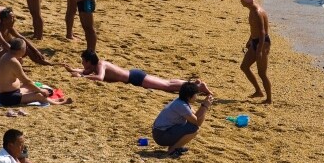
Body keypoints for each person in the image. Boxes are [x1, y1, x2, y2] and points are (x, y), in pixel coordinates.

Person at [64, 50, 213, 95]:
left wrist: (81, 78)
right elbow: (85, 71)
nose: (82, 64)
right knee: (167, 82)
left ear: (89, 61)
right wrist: (73, 70)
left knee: (167, 86)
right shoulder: (93, 66)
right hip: (134, 76)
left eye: (83, 61)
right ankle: (193, 84)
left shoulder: (101, 65)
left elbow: (100, 78)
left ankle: (198, 87)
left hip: (135, 78)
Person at [151, 81, 213, 157]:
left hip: (161, 132)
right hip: (161, 136)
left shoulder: (181, 101)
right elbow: (197, 122)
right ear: (189, 96)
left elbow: (196, 116)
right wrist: (205, 106)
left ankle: (175, 146)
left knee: (191, 125)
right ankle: (172, 149)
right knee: (193, 128)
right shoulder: (181, 105)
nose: (197, 96)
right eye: (196, 94)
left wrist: (204, 106)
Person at [0, 39, 56, 107]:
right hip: (8, 98)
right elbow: (27, 82)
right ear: (22, 49)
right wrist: (41, 90)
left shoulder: (6, 55)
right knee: (38, 95)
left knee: (31, 88)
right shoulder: (13, 61)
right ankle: (56, 103)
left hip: (2, 95)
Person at [239, 0, 271, 103]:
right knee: (244, 67)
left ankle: (269, 99)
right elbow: (255, 29)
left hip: (262, 43)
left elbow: (262, 32)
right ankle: (258, 91)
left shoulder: (257, 12)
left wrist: (259, 50)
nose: (240, 1)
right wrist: (250, 40)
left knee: (262, 73)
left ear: (245, 1)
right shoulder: (252, 10)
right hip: (255, 41)